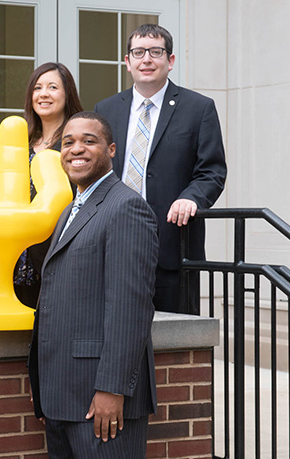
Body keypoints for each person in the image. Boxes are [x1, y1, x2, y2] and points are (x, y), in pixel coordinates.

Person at [28, 111, 158, 458]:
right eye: (68, 142)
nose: (76, 149)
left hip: (100, 402)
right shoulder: (69, 211)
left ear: (111, 150)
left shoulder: (127, 207)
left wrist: (112, 389)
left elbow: (130, 309)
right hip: (62, 396)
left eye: (89, 140)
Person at [94, 23, 227, 314]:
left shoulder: (198, 108)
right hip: (114, 242)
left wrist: (192, 198)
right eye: (138, 52)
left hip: (172, 247)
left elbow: (212, 170)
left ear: (170, 60)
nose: (147, 59)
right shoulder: (105, 110)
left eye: (156, 52)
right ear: (127, 62)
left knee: (174, 340)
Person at [14, 62, 83, 309]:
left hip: (62, 246)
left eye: (53, 87)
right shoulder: (20, 142)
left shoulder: (77, 141)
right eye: (38, 87)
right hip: (20, 248)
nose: (43, 94)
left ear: (67, 94)